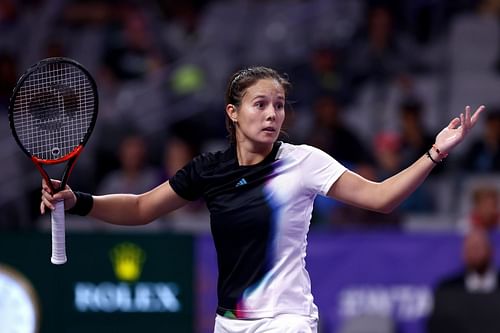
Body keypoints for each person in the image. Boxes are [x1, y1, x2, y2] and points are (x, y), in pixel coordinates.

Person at [40, 66, 485, 332]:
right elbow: (140, 208)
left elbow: (383, 198)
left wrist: (434, 151)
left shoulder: (304, 161)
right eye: (260, 104)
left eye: (280, 104)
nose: (273, 113)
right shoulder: (208, 170)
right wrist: (77, 200)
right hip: (231, 321)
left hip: (287, 319)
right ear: (233, 112)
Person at [427, 227, 500, 333]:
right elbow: (438, 325)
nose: (474, 253)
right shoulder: (448, 289)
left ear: (491, 251)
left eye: (478, 247)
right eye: (470, 248)